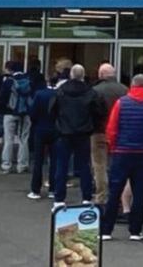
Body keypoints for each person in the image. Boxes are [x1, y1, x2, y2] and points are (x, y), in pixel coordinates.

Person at [101, 74, 143, 241]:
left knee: (114, 191)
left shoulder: (121, 103)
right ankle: (135, 231)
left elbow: (111, 129)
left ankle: (106, 230)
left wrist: (113, 147)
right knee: (139, 192)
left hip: (121, 152)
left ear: (132, 85)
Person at [50, 64, 104, 209]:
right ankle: (86, 197)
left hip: (64, 133)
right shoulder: (90, 92)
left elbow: (52, 110)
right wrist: (91, 126)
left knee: (61, 166)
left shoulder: (60, 91)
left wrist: (58, 125)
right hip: (83, 133)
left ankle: (59, 199)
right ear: (83, 75)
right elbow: (98, 112)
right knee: (84, 166)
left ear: (71, 75)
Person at [91, 63, 127, 205]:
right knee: (117, 165)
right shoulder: (124, 90)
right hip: (119, 132)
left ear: (101, 75)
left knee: (99, 165)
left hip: (99, 131)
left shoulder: (95, 90)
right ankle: (119, 197)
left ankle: (101, 196)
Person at [0, 61, 33, 174]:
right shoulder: (29, 80)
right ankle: (22, 165)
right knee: (24, 139)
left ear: (10, 69)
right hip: (25, 113)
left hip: (10, 112)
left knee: (8, 139)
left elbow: (2, 98)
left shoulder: (8, 81)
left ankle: (6, 166)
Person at [27, 79, 58, 200]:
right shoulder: (60, 94)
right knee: (55, 161)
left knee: (38, 160)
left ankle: (35, 190)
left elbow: (33, 112)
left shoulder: (39, 94)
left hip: (40, 128)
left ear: (47, 82)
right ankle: (53, 189)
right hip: (55, 130)